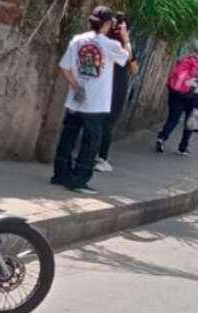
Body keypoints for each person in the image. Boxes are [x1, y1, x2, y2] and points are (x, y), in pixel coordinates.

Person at [51, 6, 131, 195]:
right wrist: (125, 37)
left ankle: (60, 174)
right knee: (91, 141)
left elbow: (65, 67)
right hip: (96, 102)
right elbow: (126, 57)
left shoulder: (78, 40)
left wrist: (76, 86)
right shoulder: (109, 45)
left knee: (68, 136)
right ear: (106, 24)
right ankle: (79, 179)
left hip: (76, 98)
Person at [95, 12, 138, 173]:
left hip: (99, 85)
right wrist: (126, 40)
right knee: (108, 123)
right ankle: (101, 158)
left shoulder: (100, 40)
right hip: (116, 86)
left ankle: (90, 154)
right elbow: (134, 69)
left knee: (97, 121)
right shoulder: (121, 45)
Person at [155, 39, 198, 155]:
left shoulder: (185, 58)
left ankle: (162, 137)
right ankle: (182, 147)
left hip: (176, 91)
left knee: (173, 118)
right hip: (193, 94)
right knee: (190, 120)